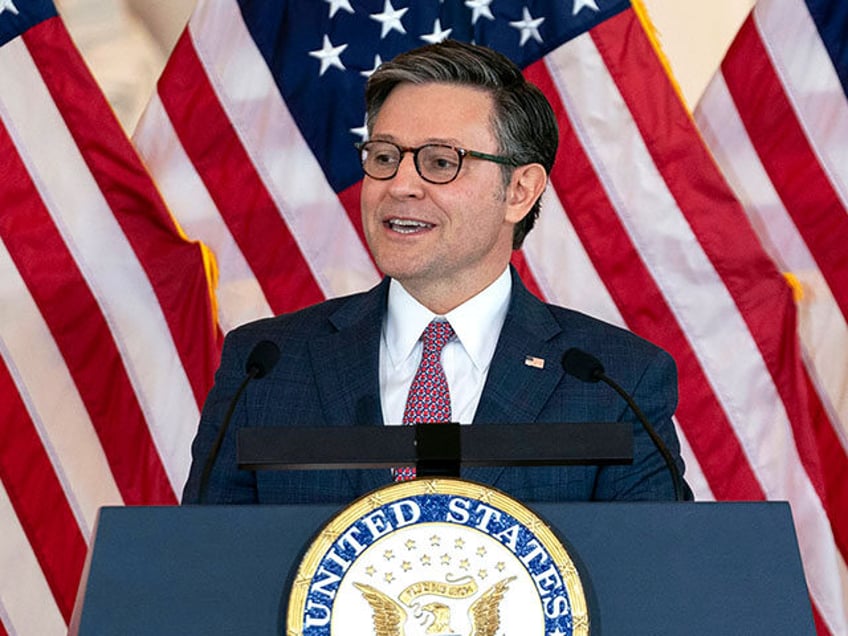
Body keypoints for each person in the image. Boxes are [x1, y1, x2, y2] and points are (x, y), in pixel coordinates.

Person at [182, 39, 693, 505]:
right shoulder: (265, 368)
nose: (399, 184)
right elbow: (202, 571)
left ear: (520, 191)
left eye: (441, 162)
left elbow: (656, 582)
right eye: (384, 156)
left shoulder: (615, 379)